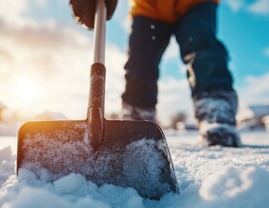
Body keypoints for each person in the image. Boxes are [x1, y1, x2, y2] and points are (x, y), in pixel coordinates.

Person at [69, 0, 240, 147]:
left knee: (204, 54)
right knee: (140, 62)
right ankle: (137, 117)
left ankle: (216, 111)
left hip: (195, 3)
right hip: (148, 7)